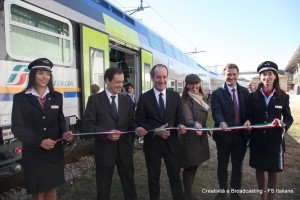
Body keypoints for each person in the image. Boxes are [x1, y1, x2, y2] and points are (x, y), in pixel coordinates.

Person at [11, 58, 74, 200]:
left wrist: (64, 132)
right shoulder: (21, 98)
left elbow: (60, 120)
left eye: (48, 74)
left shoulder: (57, 96)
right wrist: (39, 142)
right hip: (34, 154)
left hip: (54, 153)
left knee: (52, 191)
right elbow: (17, 127)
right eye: (40, 73)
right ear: (33, 74)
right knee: (38, 193)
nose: (45, 77)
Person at [82, 67, 146, 200]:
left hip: (124, 150)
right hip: (104, 151)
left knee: (129, 185)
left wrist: (136, 129)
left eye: (122, 82)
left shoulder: (127, 101)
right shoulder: (94, 100)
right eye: (117, 82)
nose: (120, 85)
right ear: (107, 81)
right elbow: (87, 127)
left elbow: (131, 123)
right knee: (103, 188)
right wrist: (106, 134)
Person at [135, 64, 187, 200]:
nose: (162, 80)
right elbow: (139, 121)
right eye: (158, 77)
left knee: (175, 178)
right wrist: (154, 131)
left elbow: (180, 117)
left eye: (164, 77)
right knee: (153, 180)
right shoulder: (144, 98)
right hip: (152, 145)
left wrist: (181, 124)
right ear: (152, 77)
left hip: (172, 143)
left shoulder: (175, 96)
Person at [244, 61, 293, 200]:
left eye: (270, 74)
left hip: (275, 140)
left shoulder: (283, 96)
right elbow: (249, 115)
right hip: (257, 139)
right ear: (260, 77)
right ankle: (263, 197)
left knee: (273, 172)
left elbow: (289, 118)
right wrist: (247, 121)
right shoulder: (252, 97)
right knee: (259, 170)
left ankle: (270, 198)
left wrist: (283, 125)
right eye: (264, 74)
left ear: (275, 76)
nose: (267, 77)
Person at [211, 63, 249, 200]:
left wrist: (249, 120)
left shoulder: (245, 92)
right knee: (222, 165)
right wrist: (221, 121)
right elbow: (216, 111)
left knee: (237, 166)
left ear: (238, 75)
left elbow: (249, 111)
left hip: (241, 137)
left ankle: (234, 192)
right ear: (224, 75)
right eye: (228, 74)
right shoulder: (217, 93)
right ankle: (222, 191)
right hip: (223, 136)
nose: (231, 77)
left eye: (234, 74)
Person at [180, 74, 210, 200]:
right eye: (191, 84)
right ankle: (187, 194)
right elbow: (187, 119)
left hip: (200, 136)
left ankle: (188, 192)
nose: (194, 86)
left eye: (196, 83)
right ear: (186, 85)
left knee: (195, 164)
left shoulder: (201, 98)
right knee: (189, 166)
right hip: (190, 137)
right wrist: (194, 123)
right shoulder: (185, 100)